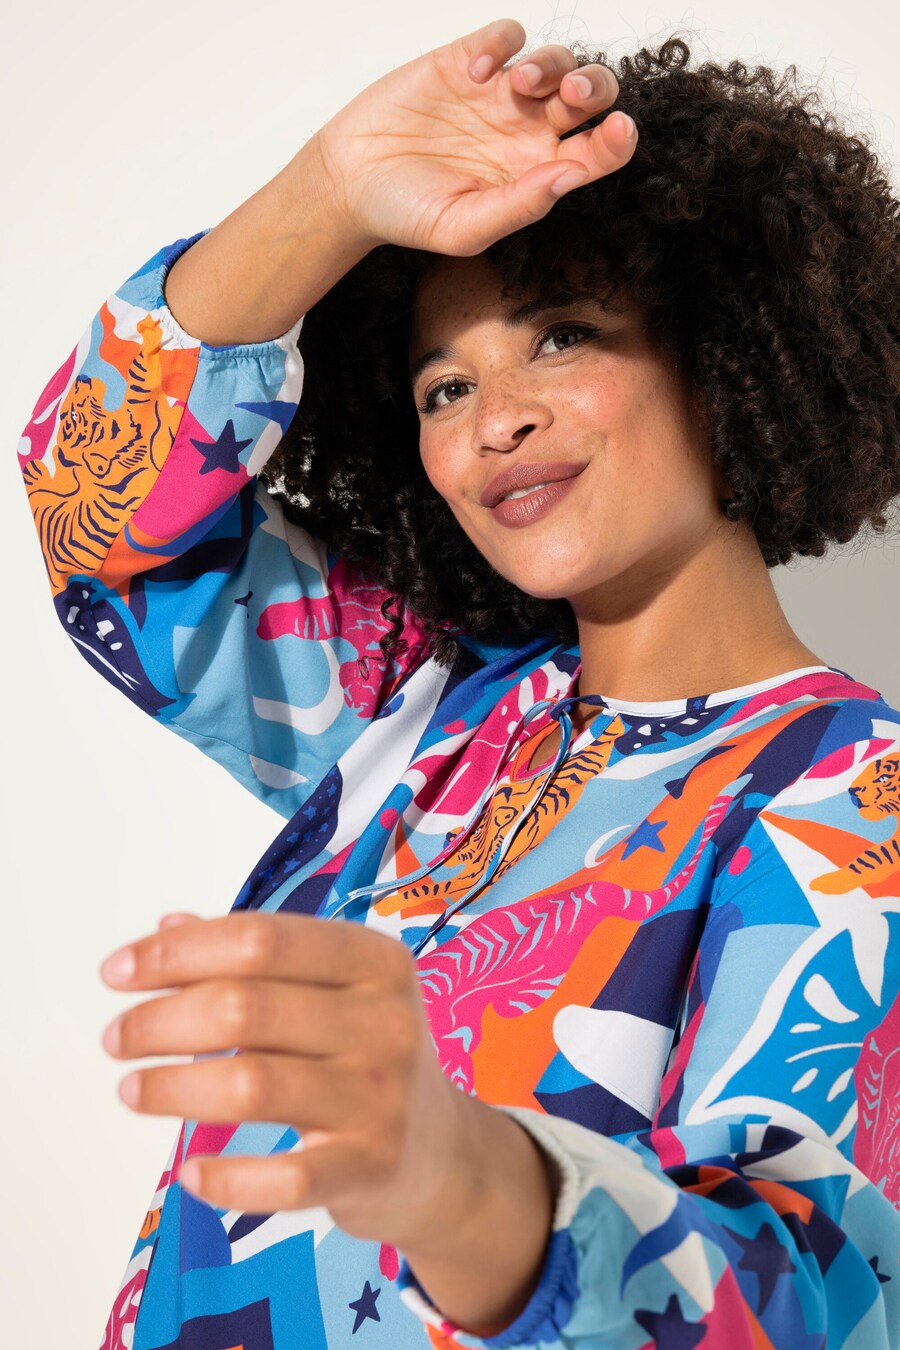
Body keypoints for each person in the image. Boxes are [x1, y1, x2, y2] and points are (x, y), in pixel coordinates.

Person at [17, 16, 900, 1349]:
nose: (496, 420)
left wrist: (466, 1180)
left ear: (725, 359)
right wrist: (325, 195)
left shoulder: (852, 796)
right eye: (442, 388)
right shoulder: (421, 704)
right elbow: (103, 524)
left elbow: (800, 1288)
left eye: (563, 336)